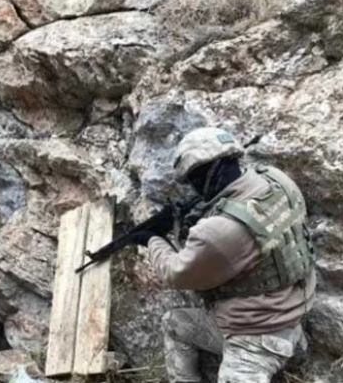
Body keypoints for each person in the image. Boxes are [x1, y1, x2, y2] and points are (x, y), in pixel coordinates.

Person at [131, 127, 316, 383]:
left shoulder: (219, 229)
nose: (195, 188)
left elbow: (175, 273)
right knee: (174, 323)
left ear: (211, 171)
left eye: (195, 180)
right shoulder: (277, 181)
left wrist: (152, 240)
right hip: (296, 310)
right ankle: (293, 347)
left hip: (255, 336)